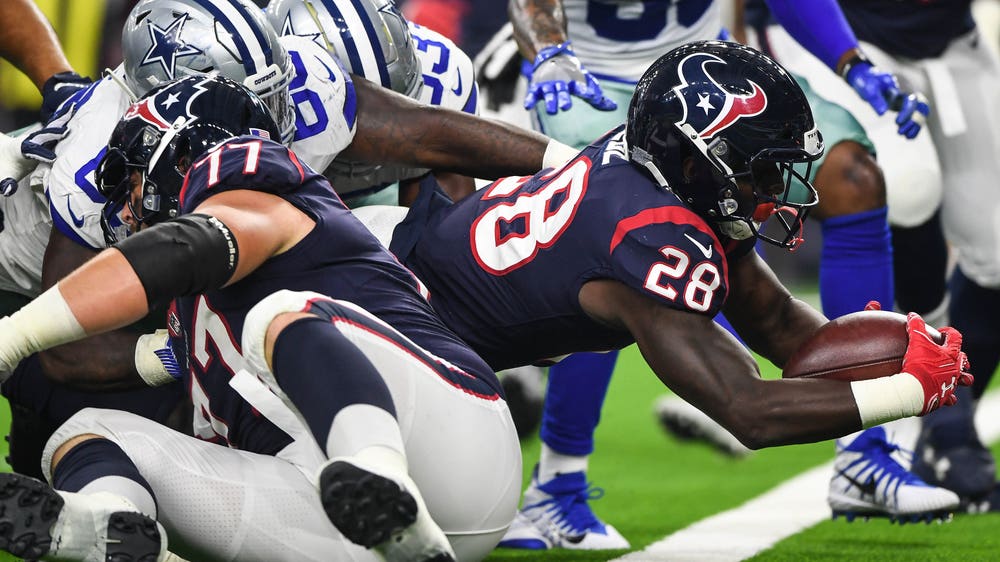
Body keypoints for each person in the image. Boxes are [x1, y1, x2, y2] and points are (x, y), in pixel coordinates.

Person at [374, 41, 971, 549]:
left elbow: (784, 328)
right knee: (467, 524)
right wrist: (908, 389)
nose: (775, 190)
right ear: (693, 156)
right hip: (398, 342)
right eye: (760, 170)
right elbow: (751, 411)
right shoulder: (654, 234)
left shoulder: (673, 178)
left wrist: (897, 339)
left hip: (422, 248)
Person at [0, 0, 568, 478]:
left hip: (184, 265)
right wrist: (178, 353)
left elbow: (431, 136)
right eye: (235, 100)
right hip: (31, 285)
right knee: (106, 441)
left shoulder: (300, 80)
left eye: (267, 94)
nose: (263, 120)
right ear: (163, 97)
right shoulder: (94, 166)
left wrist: (574, 165)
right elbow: (66, 350)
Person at [0, 74, 522, 562]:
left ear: (183, 152)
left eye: (134, 174)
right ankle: (110, 520)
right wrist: (165, 355)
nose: (128, 201)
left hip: (449, 447)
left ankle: (379, 478)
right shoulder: (191, 308)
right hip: (325, 502)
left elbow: (187, 248)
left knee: (279, 315)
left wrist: (12, 336)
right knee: (87, 431)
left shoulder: (253, 178)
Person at [500, 0, 931, 547]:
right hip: (593, 79)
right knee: (607, 242)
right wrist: (550, 52)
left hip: (718, 81)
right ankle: (559, 481)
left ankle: (864, 457)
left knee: (852, 177)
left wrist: (853, 62)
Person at [265, 0, 480, 207]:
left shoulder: (444, 78)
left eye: (395, 102)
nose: (379, 128)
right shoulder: (259, 87)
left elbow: (448, 230)